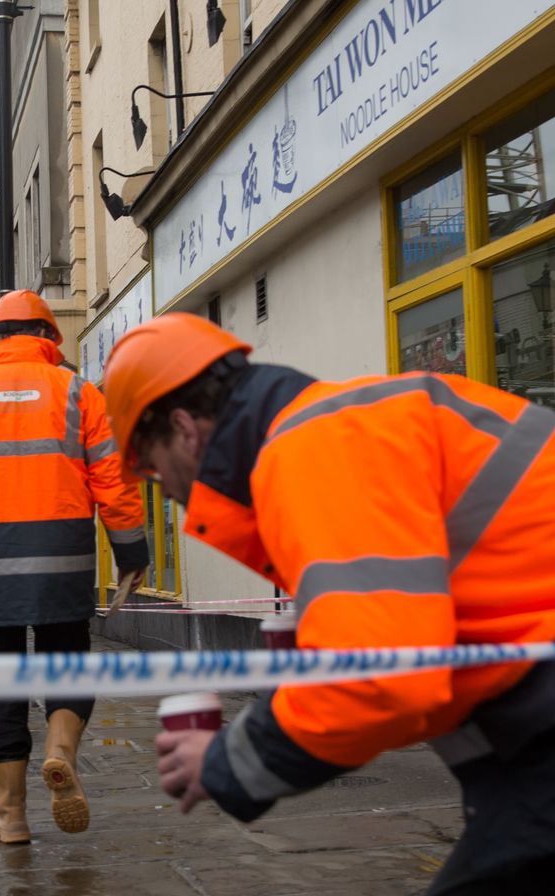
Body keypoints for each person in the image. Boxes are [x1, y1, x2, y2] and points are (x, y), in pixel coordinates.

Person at [100, 312, 555, 894]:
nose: (157, 483)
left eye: (147, 465)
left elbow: (382, 678)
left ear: (185, 428)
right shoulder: (335, 431)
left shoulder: (311, 450)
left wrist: (223, 761)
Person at [0, 289, 149, 844]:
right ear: (48, 337)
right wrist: (132, 549)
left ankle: (11, 816)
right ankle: (60, 752)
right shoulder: (79, 393)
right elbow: (114, 479)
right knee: (68, 659)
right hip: (63, 556)